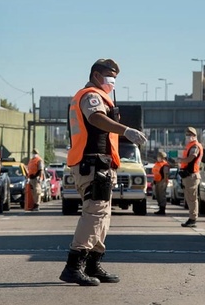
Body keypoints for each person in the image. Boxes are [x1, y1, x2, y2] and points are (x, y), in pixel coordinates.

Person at [59, 58, 146, 286]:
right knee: (95, 213)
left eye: (115, 77)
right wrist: (126, 130)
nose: (113, 81)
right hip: (92, 164)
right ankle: (73, 266)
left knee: (102, 216)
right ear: (97, 75)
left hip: (101, 165)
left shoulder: (96, 96)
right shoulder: (91, 96)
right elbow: (95, 118)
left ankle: (92, 264)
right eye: (110, 76)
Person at [178, 127, 203, 228]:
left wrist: (181, 160)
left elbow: (192, 157)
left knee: (192, 198)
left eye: (189, 134)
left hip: (192, 175)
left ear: (194, 136)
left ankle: (193, 219)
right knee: (190, 198)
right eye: (187, 134)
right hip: (189, 175)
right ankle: (192, 217)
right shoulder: (191, 145)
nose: (187, 136)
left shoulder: (195, 146)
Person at [152, 151, 170, 215]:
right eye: (158, 156)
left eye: (160, 157)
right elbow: (155, 173)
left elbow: (166, 174)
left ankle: (162, 209)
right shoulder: (157, 164)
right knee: (158, 195)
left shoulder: (165, 165)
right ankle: (160, 208)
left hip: (162, 182)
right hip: (157, 181)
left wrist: (164, 181)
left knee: (162, 196)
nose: (158, 158)